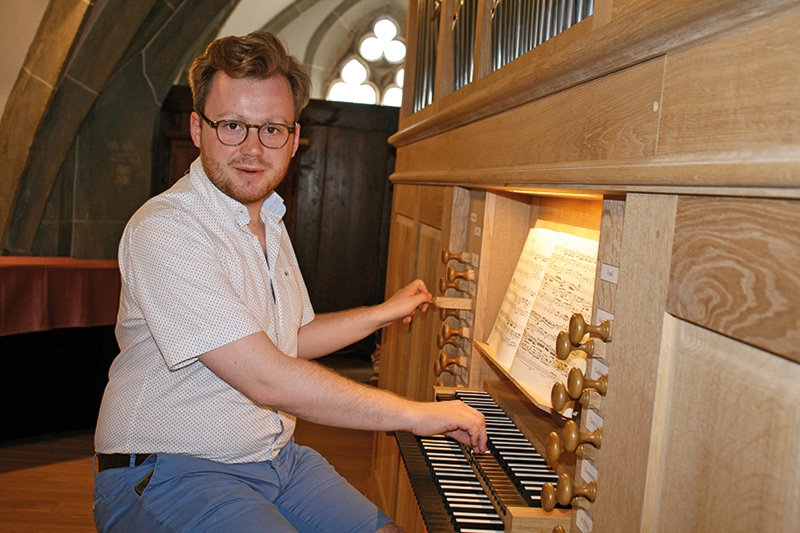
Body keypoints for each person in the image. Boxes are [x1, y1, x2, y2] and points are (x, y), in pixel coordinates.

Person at [92, 30, 486, 533]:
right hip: (168, 467)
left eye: (272, 129)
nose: (253, 148)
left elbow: (292, 339)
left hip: (275, 459)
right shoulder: (167, 229)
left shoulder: (268, 221)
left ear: (295, 139)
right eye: (233, 125)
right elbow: (266, 375)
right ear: (197, 128)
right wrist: (413, 414)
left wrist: (382, 312)